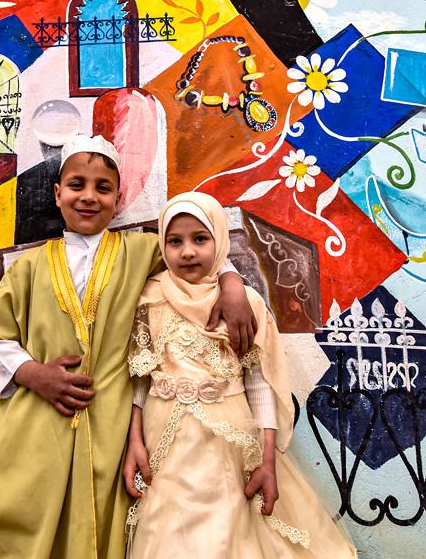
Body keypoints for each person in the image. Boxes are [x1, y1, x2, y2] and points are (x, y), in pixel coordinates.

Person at [0, 135, 256, 559]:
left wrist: (232, 283)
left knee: (102, 522)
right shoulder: (28, 267)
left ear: (117, 197)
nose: (88, 197)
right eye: (77, 185)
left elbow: (199, 252)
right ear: (57, 193)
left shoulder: (141, 251)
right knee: (31, 524)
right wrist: (35, 374)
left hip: (110, 428)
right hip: (37, 420)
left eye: (102, 188)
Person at [123, 191, 356, 559]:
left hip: (230, 444)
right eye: (175, 241)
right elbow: (139, 379)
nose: (187, 252)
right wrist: (134, 442)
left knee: (230, 531)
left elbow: (259, 383)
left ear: (219, 242)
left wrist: (266, 459)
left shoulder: (244, 303)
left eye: (200, 239)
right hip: (161, 442)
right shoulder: (149, 298)